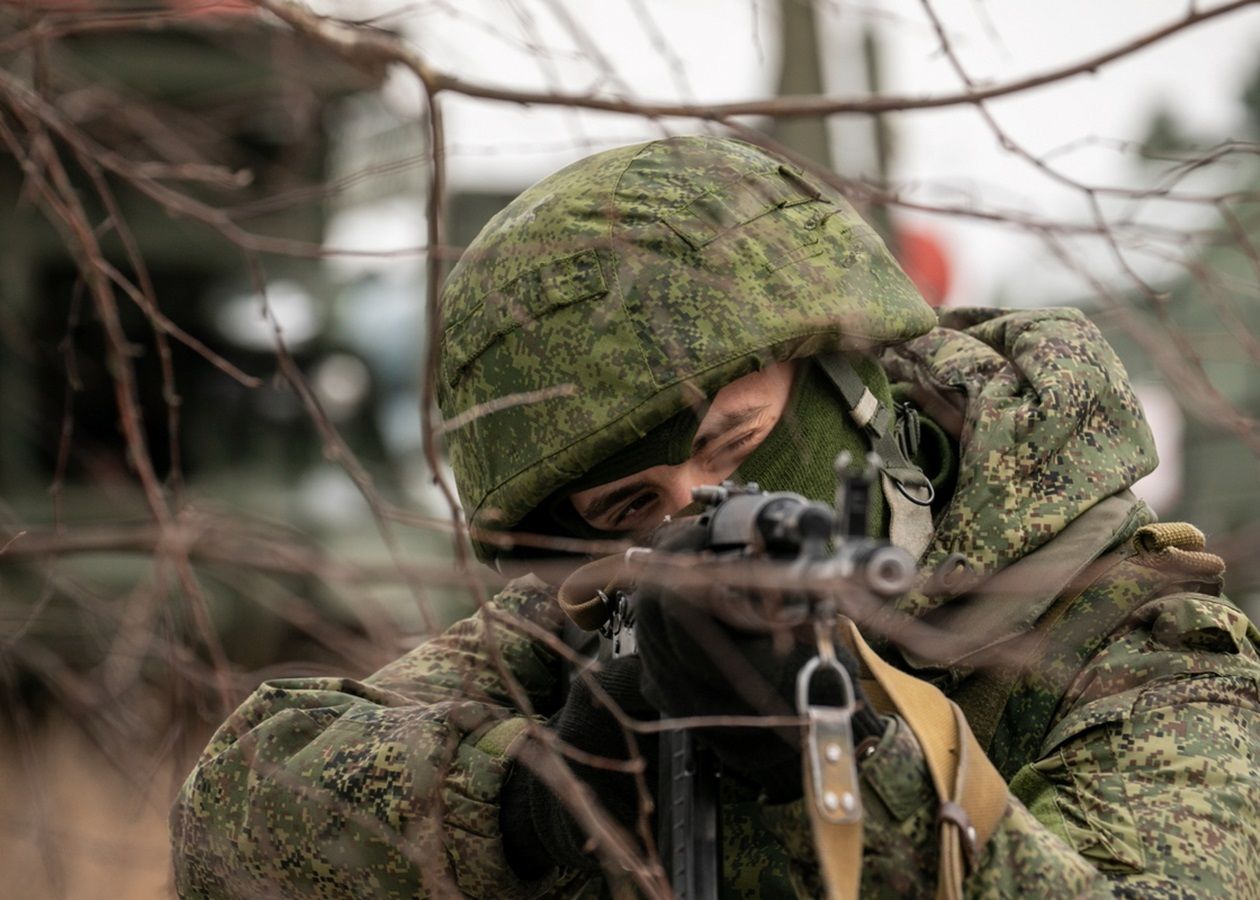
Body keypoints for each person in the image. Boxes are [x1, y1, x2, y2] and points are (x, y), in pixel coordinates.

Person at [171, 135, 1260, 898]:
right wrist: (556, 789)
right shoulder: (595, 634)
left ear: (855, 384)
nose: (696, 525)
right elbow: (233, 827)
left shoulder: (1138, 650)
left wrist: (840, 762)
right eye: (632, 507)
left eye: (733, 446)